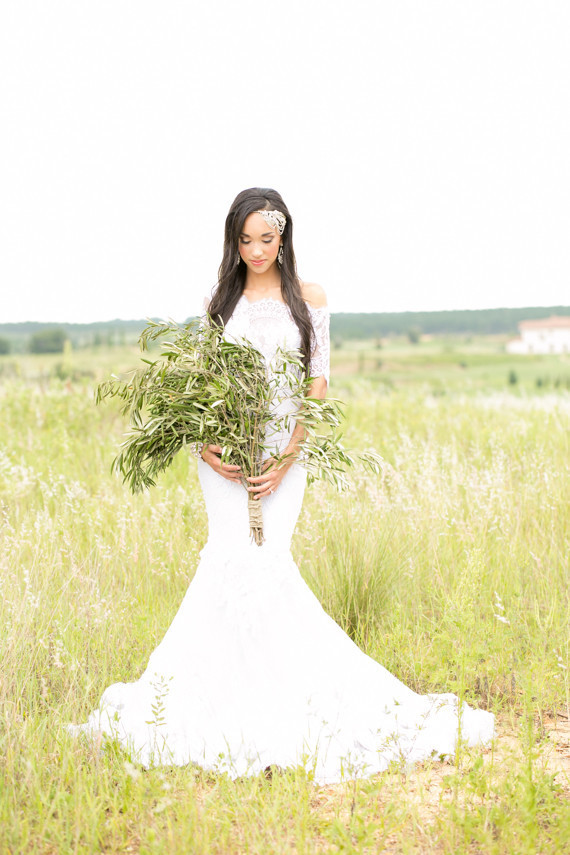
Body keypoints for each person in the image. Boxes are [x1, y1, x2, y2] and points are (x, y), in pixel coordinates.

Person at [68, 188, 494, 782]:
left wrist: (290, 455)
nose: (256, 250)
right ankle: (203, 705)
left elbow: (317, 383)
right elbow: (203, 382)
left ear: (283, 236)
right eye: (245, 240)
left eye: (266, 238)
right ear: (233, 241)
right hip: (227, 454)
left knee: (267, 563)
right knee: (227, 560)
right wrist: (204, 444)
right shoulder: (219, 301)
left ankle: (292, 701)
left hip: (284, 452)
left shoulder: (309, 298)